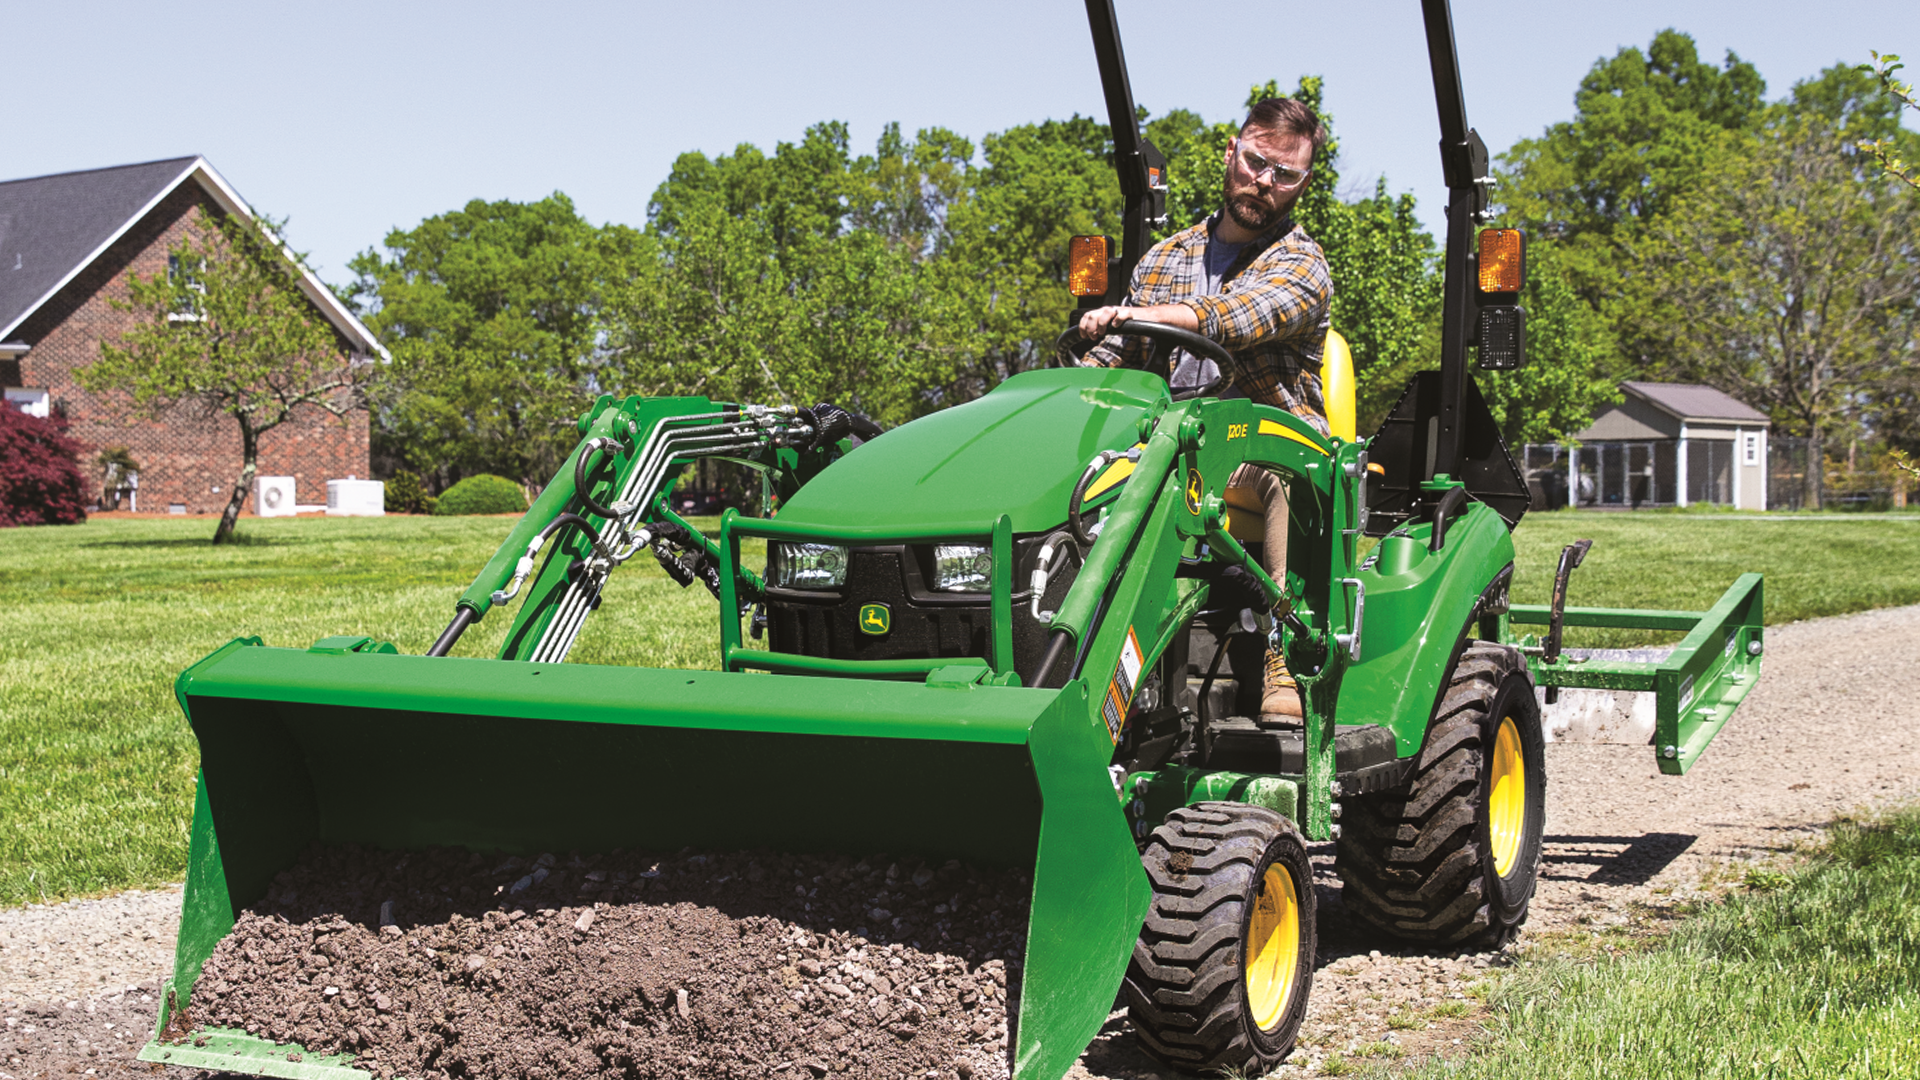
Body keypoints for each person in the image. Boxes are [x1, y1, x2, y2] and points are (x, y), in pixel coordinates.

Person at [1078, 97, 1332, 719]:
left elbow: (1232, 320)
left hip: (1260, 445)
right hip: (1167, 443)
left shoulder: (1301, 264)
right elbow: (1108, 366)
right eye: (1254, 162)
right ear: (1231, 153)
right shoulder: (1162, 260)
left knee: (1281, 475)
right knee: (1075, 471)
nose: (1263, 182)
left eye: (1284, 174)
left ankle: (1283, 646)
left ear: (1302, 183)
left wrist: (1138, 313)